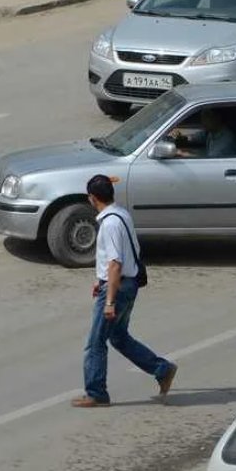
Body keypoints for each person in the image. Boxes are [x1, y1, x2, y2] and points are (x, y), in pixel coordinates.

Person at [72, 175, 177, 408]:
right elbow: (129, 253)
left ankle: (96, 393)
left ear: (92, 198)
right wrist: (102, 282)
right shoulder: (121, 214)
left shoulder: (109, 224)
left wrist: (109, 299)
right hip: (126, 285)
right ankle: (162, 369)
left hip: (118, 288)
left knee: (95, 343)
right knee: (118, 337)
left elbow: (116, 263)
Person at [171, 107, 236, 158]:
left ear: (217, 118)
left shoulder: (225, 141)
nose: (203, 121)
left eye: (207, 116)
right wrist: (181, 137)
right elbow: (196, 137)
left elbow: (209, 160)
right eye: (202, 117)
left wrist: (182, 154)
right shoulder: (212, 132)